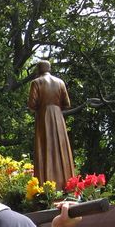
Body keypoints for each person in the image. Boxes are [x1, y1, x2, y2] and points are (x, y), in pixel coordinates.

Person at [27, 60, 76, 190]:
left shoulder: (36, 83)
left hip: (43, 117)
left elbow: (32, 104)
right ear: (49, 68)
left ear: (38, 70)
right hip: (58, 118)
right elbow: (67, 103)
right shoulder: (60, 82)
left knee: (44, 148)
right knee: (62, 149)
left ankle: (46, 188)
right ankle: (67, 186)